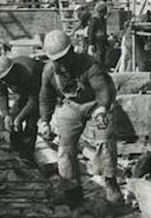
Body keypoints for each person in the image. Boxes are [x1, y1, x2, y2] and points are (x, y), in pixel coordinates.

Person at [39, 29, 123, 205]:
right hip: (72, 106)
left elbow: (103, 90)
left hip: (96, 105)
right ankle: (72, 191)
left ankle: (110, 182)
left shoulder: (90, 65)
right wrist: (45, 120)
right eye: (56, 61)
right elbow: (46, 97)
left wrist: (103, 108)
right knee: (65, 149)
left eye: (63, 59)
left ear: (71, 52)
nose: (60, 64)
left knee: (105, 140)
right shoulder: (49, 71)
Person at [0, 54, 44, 160]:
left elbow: (34, 100)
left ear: (12, 72)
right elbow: (1, 94)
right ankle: (16, 147)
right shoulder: (1, 75)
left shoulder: (29, 72)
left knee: (31, 121)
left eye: (6, 78)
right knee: (12, 119)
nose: (4, 81)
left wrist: (21, 117)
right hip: (24, 91)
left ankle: (26, 155)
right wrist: (6, 115)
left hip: (40, 90)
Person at [87, 1, 110, 65]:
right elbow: (91, 32)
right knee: (98, 57)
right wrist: (91, 43)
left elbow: (104, 31)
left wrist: (106, 41)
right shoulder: (95, 20)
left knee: (102, 56)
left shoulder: (102, 20)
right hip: (97, 41)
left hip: (102, 41)